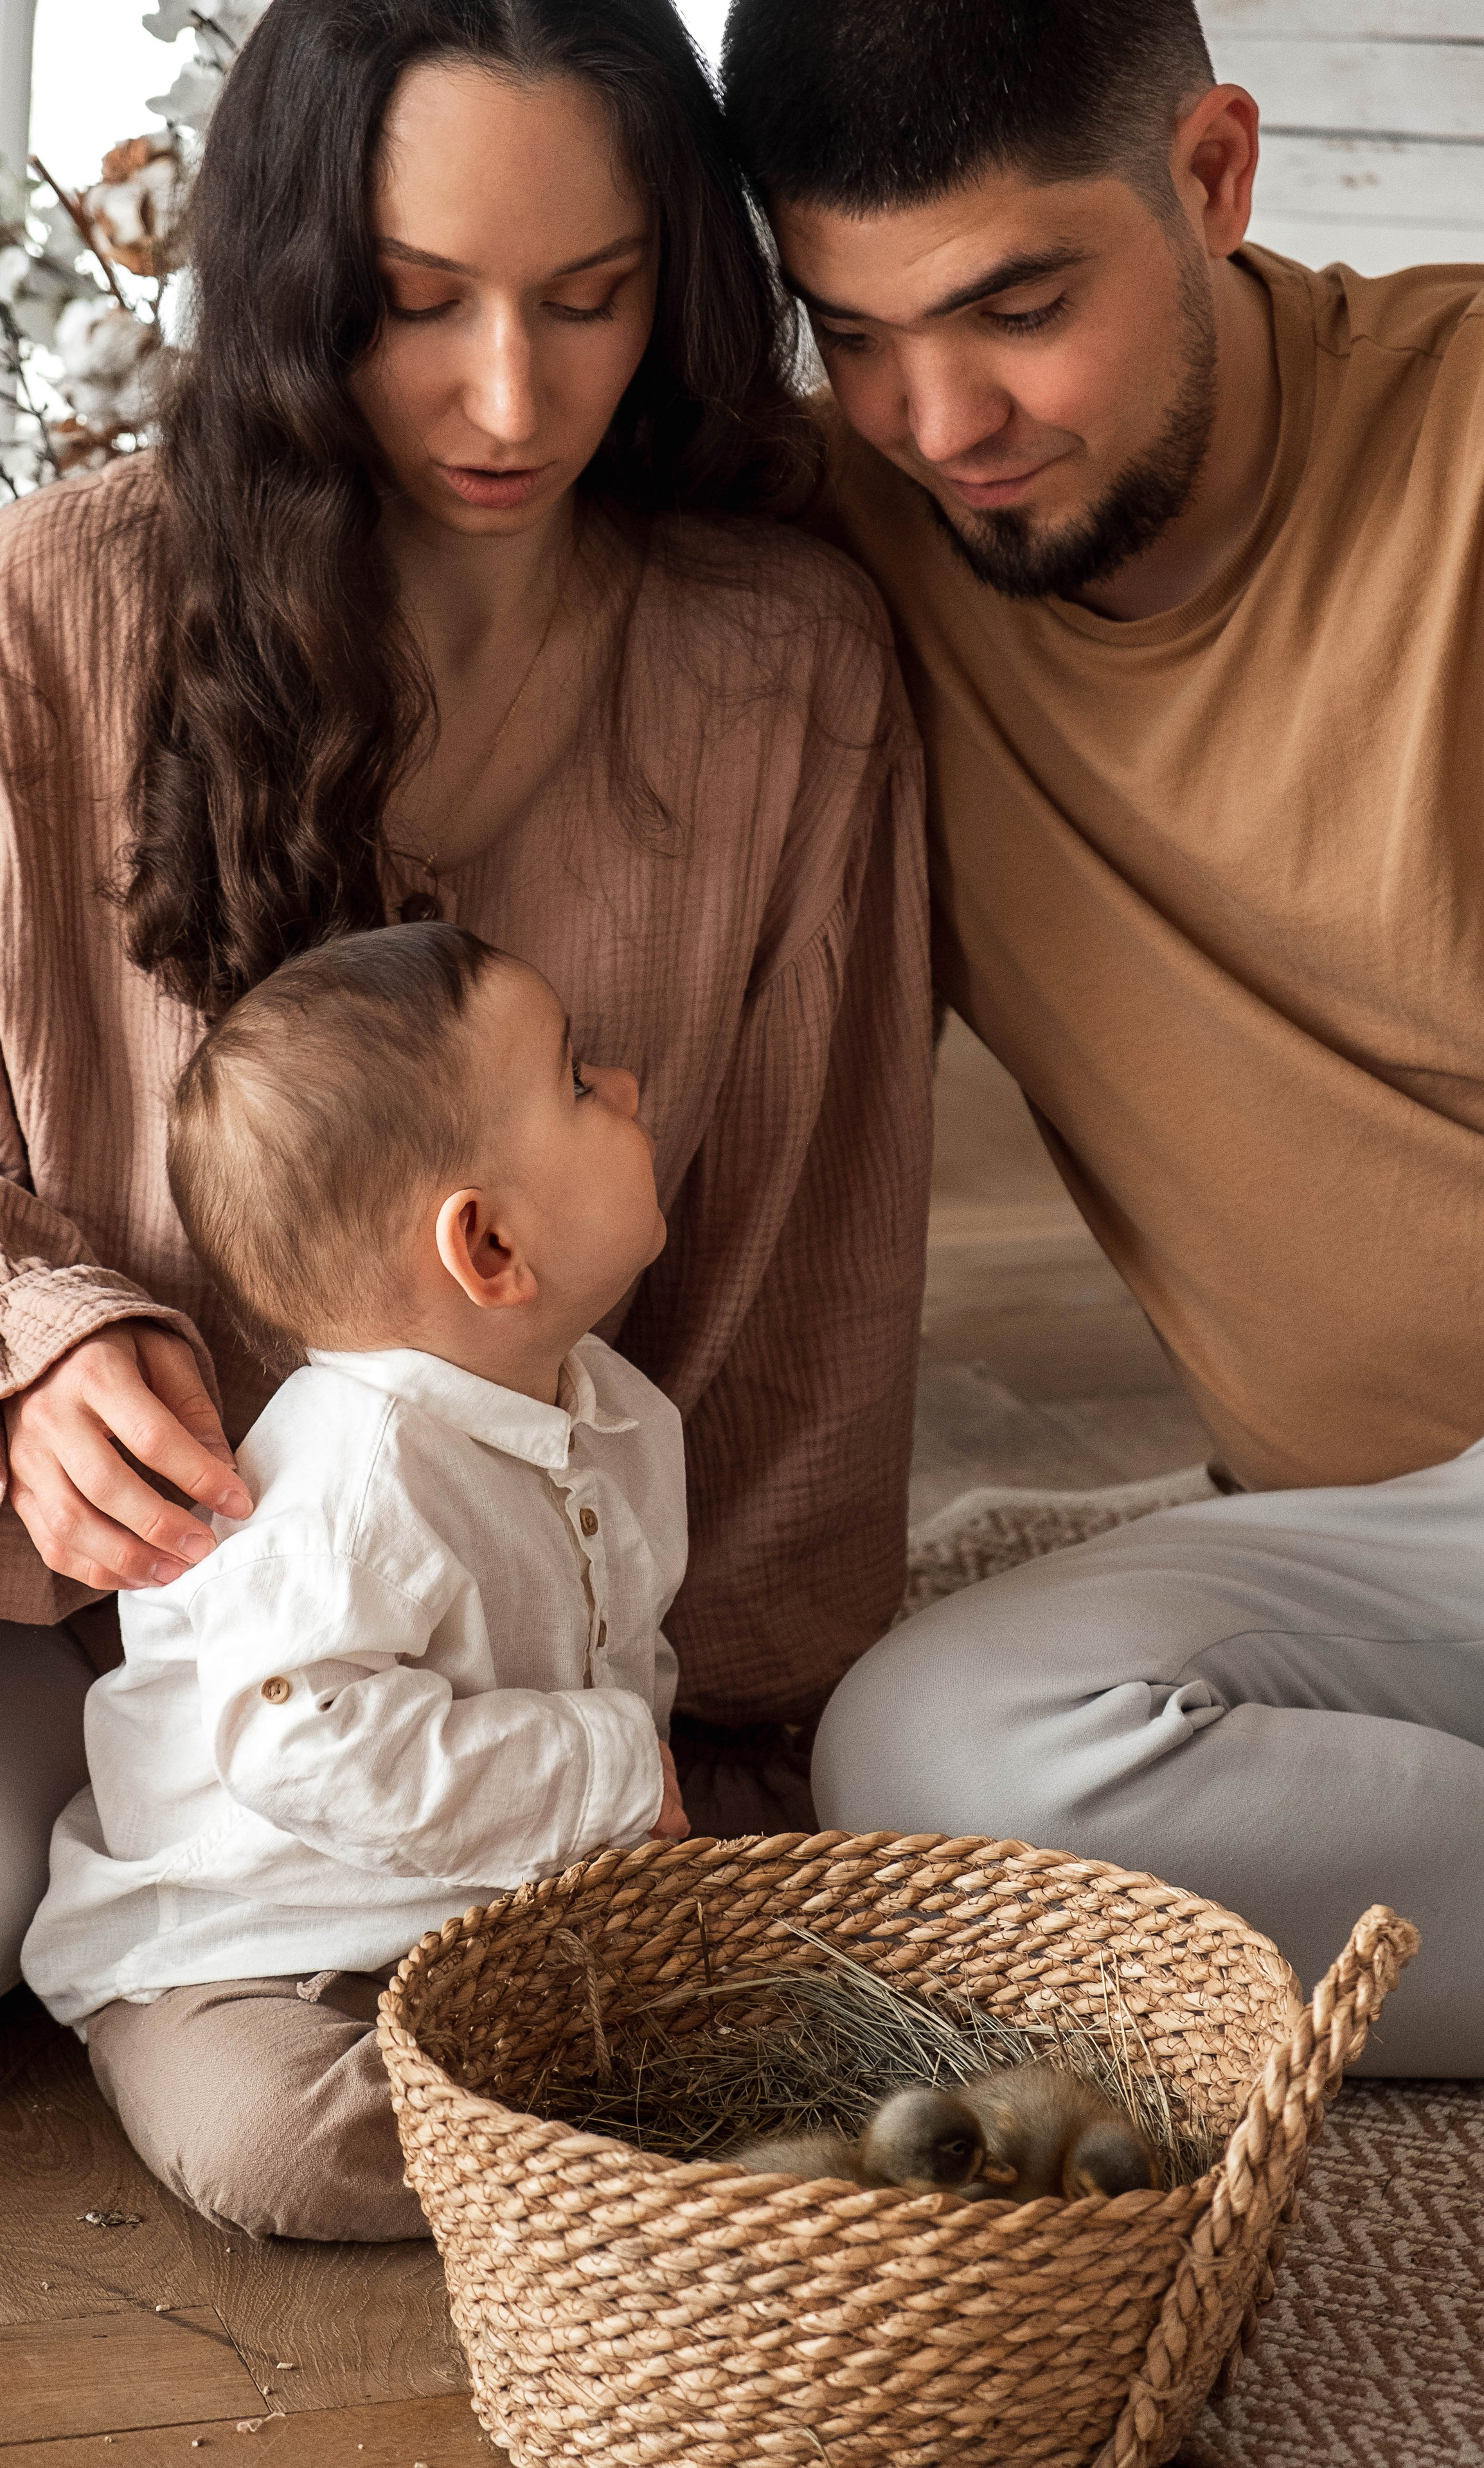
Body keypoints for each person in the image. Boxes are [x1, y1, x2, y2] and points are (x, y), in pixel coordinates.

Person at [0, 0, 933, 2091]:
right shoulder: (57, 610)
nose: (510, 396)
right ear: (287, 283)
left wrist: (687, 1770)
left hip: (389, 1713)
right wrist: (30, 1335)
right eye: (413, 304)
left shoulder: (781, 670)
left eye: (589, 302)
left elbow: (810, 1290)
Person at [720, 0, 1484, 2074]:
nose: (937, 415)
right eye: (851, 332)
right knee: (936, 1749)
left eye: (1017, 305)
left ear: (1219, 176)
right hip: (1384, 1560)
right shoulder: (841, 544)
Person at [24, 922, 690, 2239]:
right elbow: (306, 1743)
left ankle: (550, 2110)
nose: (625, 1090)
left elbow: (618, 1640)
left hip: (483, 1896)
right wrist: (612, 1771)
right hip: (252, 1940)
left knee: (738, 1980)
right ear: (486, 1246)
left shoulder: (618, 1414)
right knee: (283, 2147)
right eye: (577, 1083)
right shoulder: (354, 1477)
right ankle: (555, 2146)